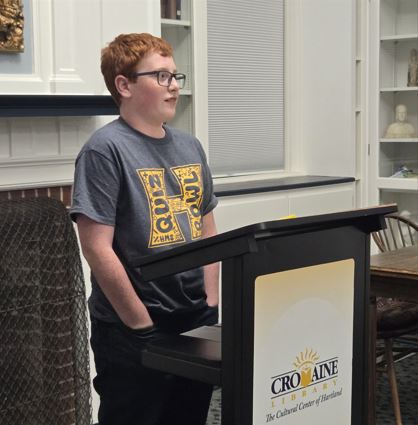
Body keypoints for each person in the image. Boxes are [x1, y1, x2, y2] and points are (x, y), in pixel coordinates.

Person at [70, 33, 219, 425]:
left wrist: (210, 300)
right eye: (161, 77)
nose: (174, 87)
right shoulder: (105, 149)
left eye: (175, 76)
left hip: (193, 319)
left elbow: (207, 226)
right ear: (124, 84)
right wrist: (140, 324)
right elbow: (96, 248)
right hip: (132, 329)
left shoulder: (191, 146)